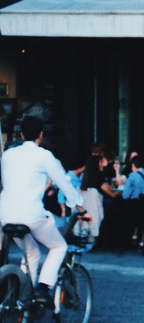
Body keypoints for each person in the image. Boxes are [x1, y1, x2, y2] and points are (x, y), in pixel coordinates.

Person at [0, 117, 89, 308]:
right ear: (41, 134)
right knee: (58, 247)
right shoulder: (44, 156)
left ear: (21, 135)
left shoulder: (7, 155)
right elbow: (65, 184)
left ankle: (25, 298)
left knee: (31, 253)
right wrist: (81, 208)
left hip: (5, 214)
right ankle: (42, 288)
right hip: (31, 214)